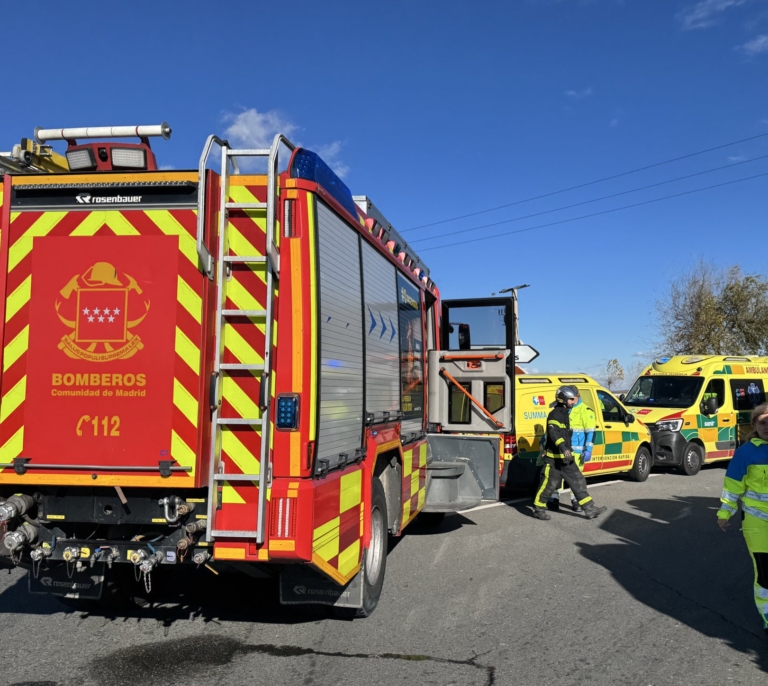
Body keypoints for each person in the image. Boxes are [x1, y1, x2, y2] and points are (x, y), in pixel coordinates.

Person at [717, 402, 768, 638]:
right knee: (765, 574)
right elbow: (732, 487)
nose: (767, 426)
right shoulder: (746, 453)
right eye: (762, 422)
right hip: (758, 526)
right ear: (754, 425)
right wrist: (725, 513)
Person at [534, 385, 607, 521]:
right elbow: (553, 431)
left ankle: (589, 508)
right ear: (563, 399)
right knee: (549, 485)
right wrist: (563, 446)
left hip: (566, 458)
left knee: (578, 480)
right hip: (555, 459)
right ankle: (539, 509)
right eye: (571, 399)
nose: (574, 402)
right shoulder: (555, 414)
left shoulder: (565, 412)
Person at [546, 387, 596, 512]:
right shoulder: (564, 409)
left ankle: (577, 502)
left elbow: (591, 432)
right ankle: (553, 499)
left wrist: (588, 449)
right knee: (556, 476)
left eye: (574, 398)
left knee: (575, 478)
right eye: (570, 398)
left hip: (577, 451)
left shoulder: (585, 411)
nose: (572, 401)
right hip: (560, 449)